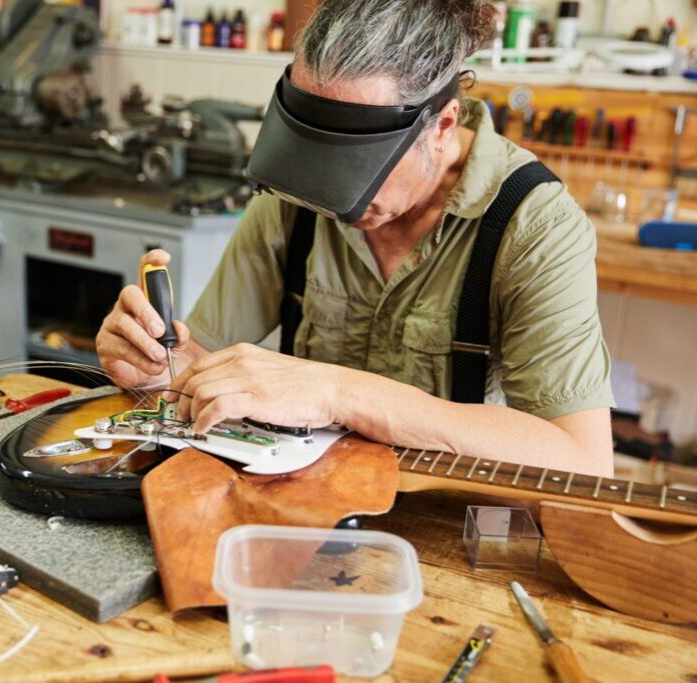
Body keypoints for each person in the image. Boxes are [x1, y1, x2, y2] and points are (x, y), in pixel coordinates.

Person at [97, 0, 614, 476]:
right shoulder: (293, 199)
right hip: (304, 506)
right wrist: (154, 369)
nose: (330, 195)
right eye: (316, 159)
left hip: (452, 521)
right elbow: (199, 360)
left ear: (443, 125)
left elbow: (582, 458)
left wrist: (340, 392)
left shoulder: (534, 226)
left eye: (359, 165)